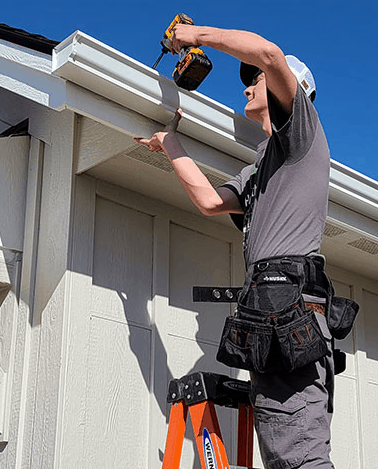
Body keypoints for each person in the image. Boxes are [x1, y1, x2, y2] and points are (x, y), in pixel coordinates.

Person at [135, 24, 335, 469]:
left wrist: (195, 36)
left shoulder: (301, 135)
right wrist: (171, 145)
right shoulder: (258, 171)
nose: (246, 85)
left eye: (255, 80)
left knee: (298, 455)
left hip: (290, 308)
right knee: (282, 451)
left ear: (292, 90)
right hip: (268, 311)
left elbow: (268, 51)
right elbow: (209, 202)